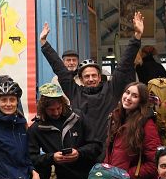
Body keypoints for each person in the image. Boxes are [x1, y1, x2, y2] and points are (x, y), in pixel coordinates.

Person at [40, 12, 144, 148]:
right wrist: (44, 44)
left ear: (100, 77)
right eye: (87, 76)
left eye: (94, 75)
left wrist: (136, 37)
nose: (91, 79)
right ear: (81, 79)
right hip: (83, 150)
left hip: (109, 148)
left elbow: (124, 65)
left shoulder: (111, 89)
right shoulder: (75, 92)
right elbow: (60, 69)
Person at [27, 82, 96, 179]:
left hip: (89, 177)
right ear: (43, 108)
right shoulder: (36, 128)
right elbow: (32, 158)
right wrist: (52, 158)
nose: (56, 112)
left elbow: (96, 145)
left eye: (59, 108)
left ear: (63, 103)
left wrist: (79, 153)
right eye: (51, 110)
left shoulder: (78, 117)